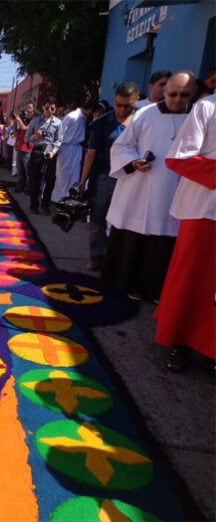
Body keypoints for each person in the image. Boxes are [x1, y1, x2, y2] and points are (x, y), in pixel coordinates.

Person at [102, 71, 196, 302]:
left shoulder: (196, 118)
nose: (177, 99)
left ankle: (156, 290)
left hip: (174, 191)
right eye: (172, 93)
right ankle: (126, 284)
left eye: (184, 95)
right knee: (133, 240)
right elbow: (121, 147)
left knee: (164, 243)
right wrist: (133, 162)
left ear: (192, 94)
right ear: (164, 92)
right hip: (140, 189)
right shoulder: (145, 115)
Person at [154, 93, 215, 371]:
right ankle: (180, 341)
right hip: (204, 208)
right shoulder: (207, 106)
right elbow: (179, 157)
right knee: (193, 280)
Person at [78, 82, 139, 271]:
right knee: (98, 218)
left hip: (133, 179)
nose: (122, 110)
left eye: (127, 106)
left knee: (126, 221)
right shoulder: (102, 123)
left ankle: (117, 259)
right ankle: (96, 256)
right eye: (118, 105)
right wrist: (82, 182)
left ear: (135, 102)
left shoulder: (143, 121)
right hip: (107, 177)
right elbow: (91, 153)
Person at [25, 98, 63, 214]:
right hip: (37, 151)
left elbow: (59, 140)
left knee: (50, 181)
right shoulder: (35, 121)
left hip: (49, 153)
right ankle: (34, 205)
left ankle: (45, 205)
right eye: (47, 108)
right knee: (34, 181)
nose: (50, 111)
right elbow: (26, 138)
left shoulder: (58, 122)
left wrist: (54, 151)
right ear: (43, 107)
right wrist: (35, 137)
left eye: (52, 108)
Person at [51, 100, 94, 203]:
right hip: (66, 149)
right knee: (63, 176)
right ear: (90, 110)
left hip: (76, 149)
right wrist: (55, 150)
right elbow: (60, 133)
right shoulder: (72, 116)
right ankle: (59, 199)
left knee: (74, 175)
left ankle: (68, 200)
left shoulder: (84, 118)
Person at [13, 103, 35, 193]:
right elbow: (16, 133)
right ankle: (20, 187)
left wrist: (18, 120)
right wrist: (15, 122)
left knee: (28, 171)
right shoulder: (23, 119)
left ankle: (29, 188)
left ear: (33, 110)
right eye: (26, 108)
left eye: (30, 108)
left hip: (28, 149)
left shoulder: (34, 120)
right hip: (20, 148)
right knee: (20, 171)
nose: (28, 110)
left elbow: (25, 128)